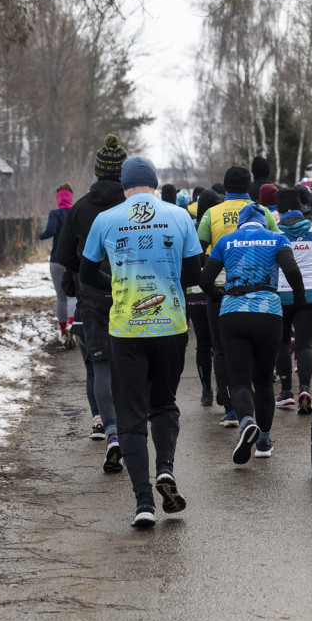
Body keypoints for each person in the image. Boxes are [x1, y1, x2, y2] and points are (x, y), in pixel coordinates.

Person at [79, 155, 203, 527]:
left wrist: (118, 288)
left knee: (131, 416)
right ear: (153, 182)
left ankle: (144, 503)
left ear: (124, 185)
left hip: (126, 329)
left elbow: (85, 275)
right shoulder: (180, 216)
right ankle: (165, 468)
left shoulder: (106, 219)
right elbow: (194, 273)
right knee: (164, 404)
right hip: (170, 327)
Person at [199, 202, 305, 463]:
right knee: (264, 381)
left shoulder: (226, 241)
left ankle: (246, 420)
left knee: (239, 380)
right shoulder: (277, 238)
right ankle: (265, 441)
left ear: (241, 223)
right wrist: (299, 299)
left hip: (233, 313)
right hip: (268, 313)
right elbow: (291, 270)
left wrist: (218, 295)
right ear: (263, 221)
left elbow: (204, 281)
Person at [56, 134, 127, 451]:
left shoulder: (80, 208)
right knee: (131, 364)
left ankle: (109, 428)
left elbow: (64, 254)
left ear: (98, 171)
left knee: (99, 365)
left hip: (93, 294)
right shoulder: (132, 207)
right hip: (133, 292)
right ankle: (129, 427)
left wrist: (87, 271)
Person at [196, 165, 280, 428]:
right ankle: (255, 407)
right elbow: (277, 245)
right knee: (258, 350)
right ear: (249, 185)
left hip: (220, 291)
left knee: (220, 349)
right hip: (260, 293)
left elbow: (199, 254)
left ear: (225, 184)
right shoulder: (263, 212)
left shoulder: (211, 213)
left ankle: (232, 409)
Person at [273, 188, 312, 415]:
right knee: (303, 344)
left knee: (283, 342)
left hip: (281, 294)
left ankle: (286, 392)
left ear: (280, 210)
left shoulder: (273, 232)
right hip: (311, 294)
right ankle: (305, 389)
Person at [186, 188, 224, 407]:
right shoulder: (218, 225)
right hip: (217, 287)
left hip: (194, 290)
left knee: (203, 343)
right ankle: (222, 386)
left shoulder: (191, 227)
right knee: (220, 343)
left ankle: (206, 391)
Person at [40, 183, 76, 345]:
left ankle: (63, 332)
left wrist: (40, 235)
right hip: (74, 260)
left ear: (58, 198)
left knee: (61, 298)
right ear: (70, 197)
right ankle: (72, 328)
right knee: (73, 296)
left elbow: (50, 231)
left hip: (56, 260)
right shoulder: (77, 212)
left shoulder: (54, 214)